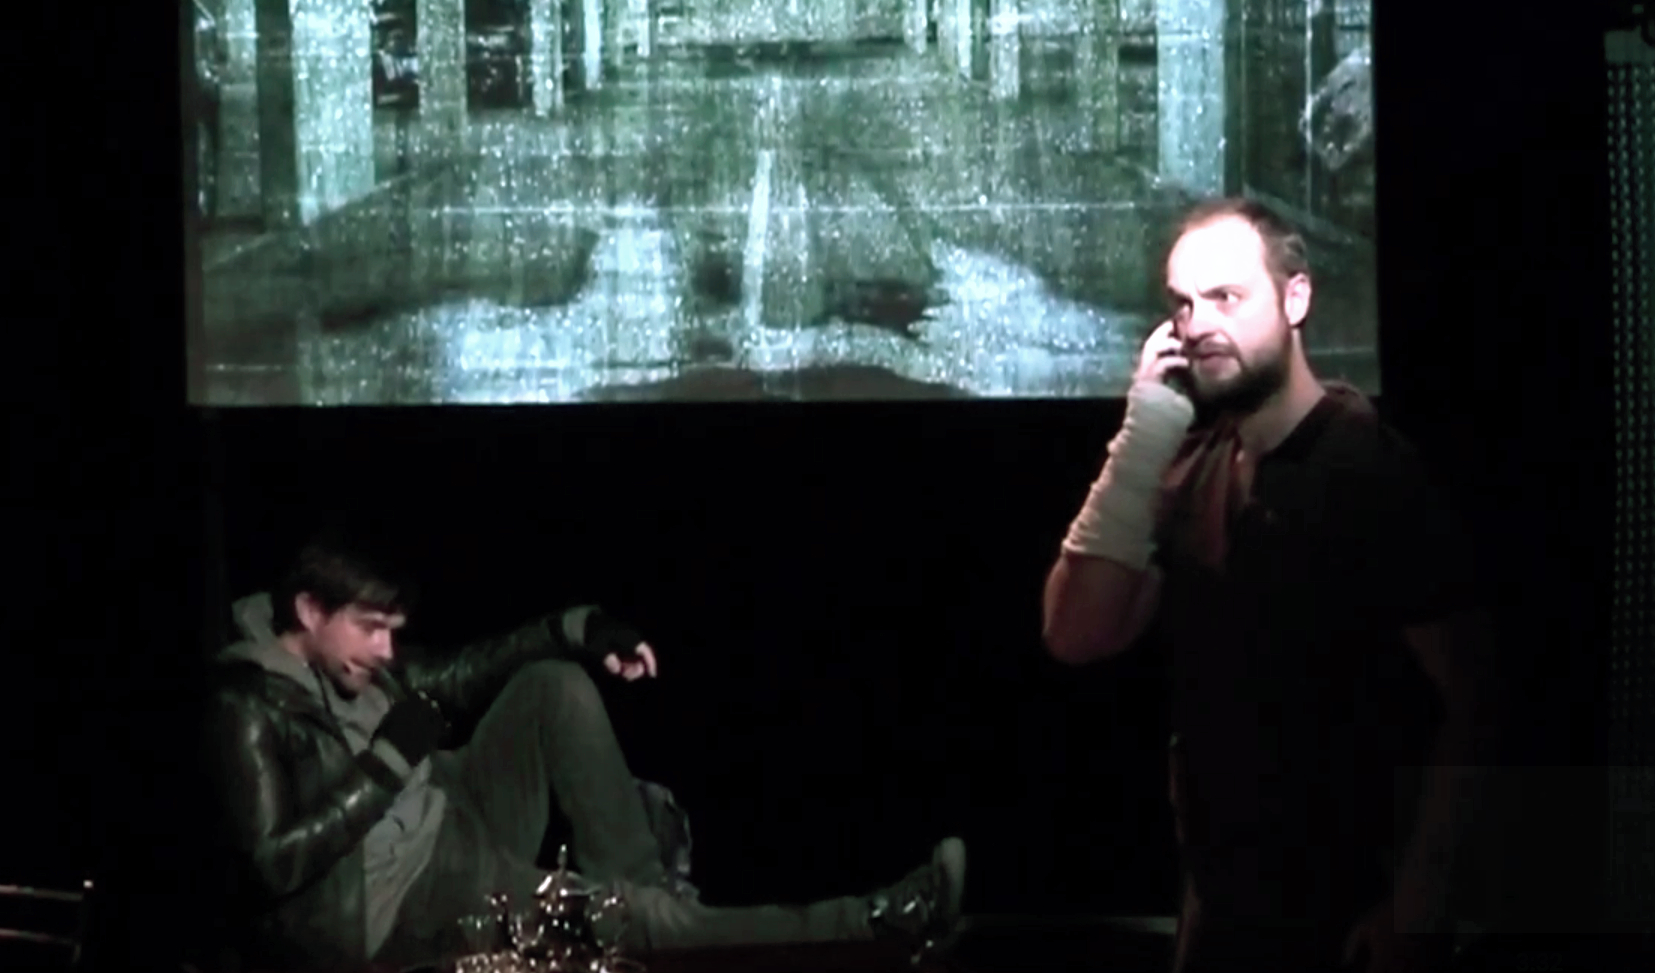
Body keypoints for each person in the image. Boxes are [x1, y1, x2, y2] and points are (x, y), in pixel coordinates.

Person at [1042, 197, 1497, 973]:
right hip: (1226, 911)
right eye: (1182, 303)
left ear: (1295, 299)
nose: (1196, 324)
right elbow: (1075, 632)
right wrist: (1144, 429)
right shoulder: (1190, 464)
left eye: (1225, 296)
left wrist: (1417, 904)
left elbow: (1480, 695)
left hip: (1346, 915)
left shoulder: (1364, 469)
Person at [204, 529, 965, 972]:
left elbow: (457, 673)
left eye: (391, 630)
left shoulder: (353, 661)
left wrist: (577, 628)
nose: (385, 648)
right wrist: (383, 767)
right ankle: (879, 919)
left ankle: (652, 905)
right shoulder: (245, 704)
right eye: (371, 628)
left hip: (450, 811)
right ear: (309, 609)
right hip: (403, 897)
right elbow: (272, 863)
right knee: (632, 918)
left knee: (551, 685)